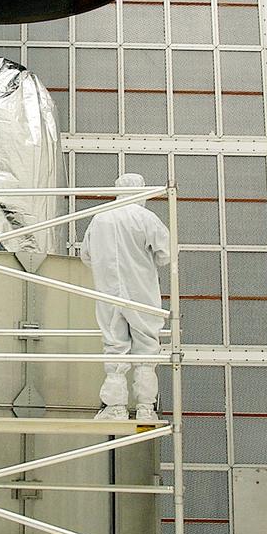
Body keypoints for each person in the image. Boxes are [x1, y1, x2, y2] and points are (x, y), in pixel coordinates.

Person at [81, 173, 170, 424]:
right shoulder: (146, 218)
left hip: (108, 292)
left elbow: (86, 256)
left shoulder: (100, 219)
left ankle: (115, 407)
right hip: (142, 293)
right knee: (146, 348)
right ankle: (145, 408)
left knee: (114, 345)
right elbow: (166, 254)